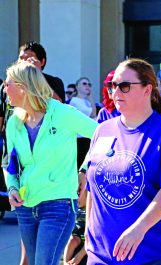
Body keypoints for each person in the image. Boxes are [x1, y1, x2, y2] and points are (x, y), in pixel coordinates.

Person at [84, 58, 161, 265]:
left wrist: (138, 230)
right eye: (112, 86)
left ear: (147, 89)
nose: (116, 92)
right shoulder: (102, 130)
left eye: (124, 86)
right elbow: (92, 188)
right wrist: (89, 235)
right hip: (101, 256)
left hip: (152, 254)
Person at [4, 61, 98, 265]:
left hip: (59, 205)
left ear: (22, 86)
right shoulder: (13, 122)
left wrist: (84, 170)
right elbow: (9, 164)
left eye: (7, 83)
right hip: (25, 207)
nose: (4, 88)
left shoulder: (63, 113)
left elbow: (103, 136)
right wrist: (11, 187)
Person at [69, 77, 97, 168]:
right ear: (77, 87)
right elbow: (93, 114)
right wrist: (91, 96)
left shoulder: (86, 101)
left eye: (89, 84)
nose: (87, 86)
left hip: (86, 138)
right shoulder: (75, 101)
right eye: (84, 84)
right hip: (79, 140)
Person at [63, 190, 88, 265]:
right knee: (72, 240)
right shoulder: (75, 209)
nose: (76, 198)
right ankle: (65, 262)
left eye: (78, 194)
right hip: (77, 233)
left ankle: (79, 255)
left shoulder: (93, 208)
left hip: (88, 233)